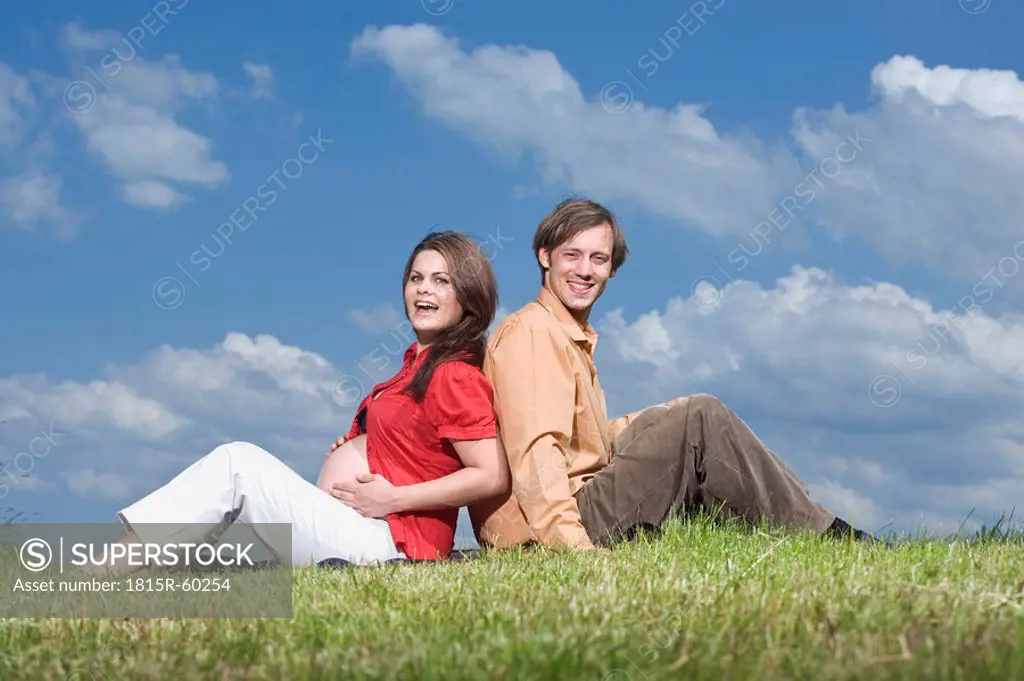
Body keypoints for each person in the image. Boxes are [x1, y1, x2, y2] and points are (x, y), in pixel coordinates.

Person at [88, 231, 509, 578]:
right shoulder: (412, 368)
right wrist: (360, 443)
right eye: (416, 278)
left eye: (441, 281)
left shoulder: (453, 373)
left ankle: (99, 575)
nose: (423, 290)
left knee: (239, 464)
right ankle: (130, 571)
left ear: (467, 296)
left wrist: (392, 498)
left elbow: (489, 475)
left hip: (393, 542)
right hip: (365, 528)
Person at [468, 198, 875, 552]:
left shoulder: (566, 334)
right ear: (545, 257)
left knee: (691, 415)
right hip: (551, 528)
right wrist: (573, 548)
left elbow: (585, 441)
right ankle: (827, 534)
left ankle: (806, 519)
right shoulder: (534, 333)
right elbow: (538, 455)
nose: (585, 270)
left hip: (573, 506)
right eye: (572, 255)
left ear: (613, 271)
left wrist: (657, 417)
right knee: (701, 416)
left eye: (599, 259)